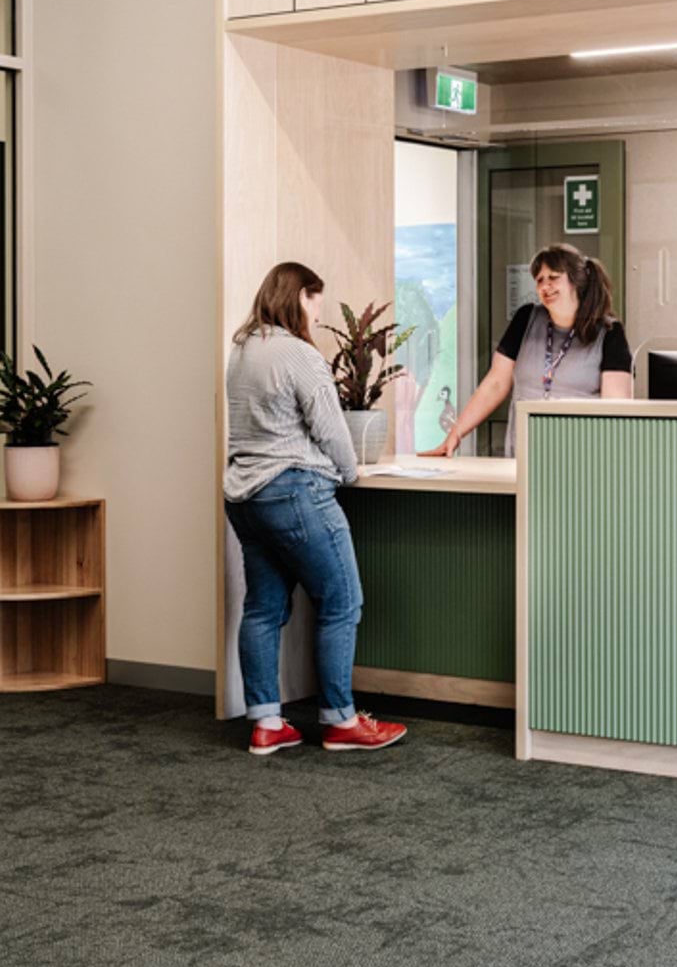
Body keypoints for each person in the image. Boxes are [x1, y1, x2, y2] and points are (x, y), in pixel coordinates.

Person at [225, 260, 406, 760]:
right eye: (315, 300)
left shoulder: (242, 351)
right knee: (341, 601)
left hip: (245, 495)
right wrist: (352, 474)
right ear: (297, 298)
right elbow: (331, 430)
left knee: (262, 607)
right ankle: (340, 720)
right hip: (295, 491)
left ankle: (266, 723)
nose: (318, 310)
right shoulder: (299, 354)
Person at [426, 243, 634, 460]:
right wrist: (456, 433)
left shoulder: (609, 333)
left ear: (576, 281)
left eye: (553, 278)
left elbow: (615, 405)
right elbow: (496, 383)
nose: (545, 286)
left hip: (581, 456)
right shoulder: (526, 318)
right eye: (539, 280)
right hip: (524, 454)